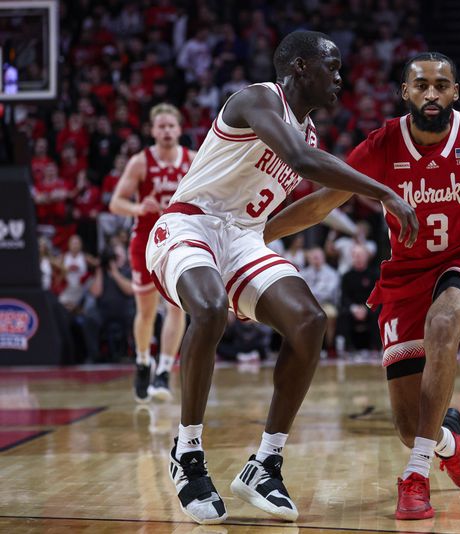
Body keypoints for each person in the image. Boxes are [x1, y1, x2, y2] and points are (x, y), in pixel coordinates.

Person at [261, 51, 460, 520]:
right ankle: (446, 442)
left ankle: (415, 477)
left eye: (441, 85)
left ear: (454, 91)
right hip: (405, 275)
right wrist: (256, 234)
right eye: (421, 85)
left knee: (443, 324)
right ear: (405, 93)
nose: (431, 93)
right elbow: (320, 204)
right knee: (409, 425)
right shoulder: (381, 145)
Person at [144, 31, 418, 525]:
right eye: (330, 68)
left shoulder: (309, 134)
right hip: (189, 222)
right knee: (207, 309)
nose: (340, 78)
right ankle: (187, 455)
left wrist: (350, 217)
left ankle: (265, 463)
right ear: (297, 68)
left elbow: (302, 205)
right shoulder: (256, 99)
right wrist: (385, 193)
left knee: (311, 322)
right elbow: (302, 162)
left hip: (243, 237)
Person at [110, 103, 195, 403]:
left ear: (179, 129)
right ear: (152, 130)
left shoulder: (193, 160)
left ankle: (164, 371)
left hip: (180, 240)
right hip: (145, 240)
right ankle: (143, 360)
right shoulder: (140, 162)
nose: (167, 131)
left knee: (177, 306)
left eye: (171, 126)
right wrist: (137, 207)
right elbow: (115, 203)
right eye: (161, 126)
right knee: (145, 311)